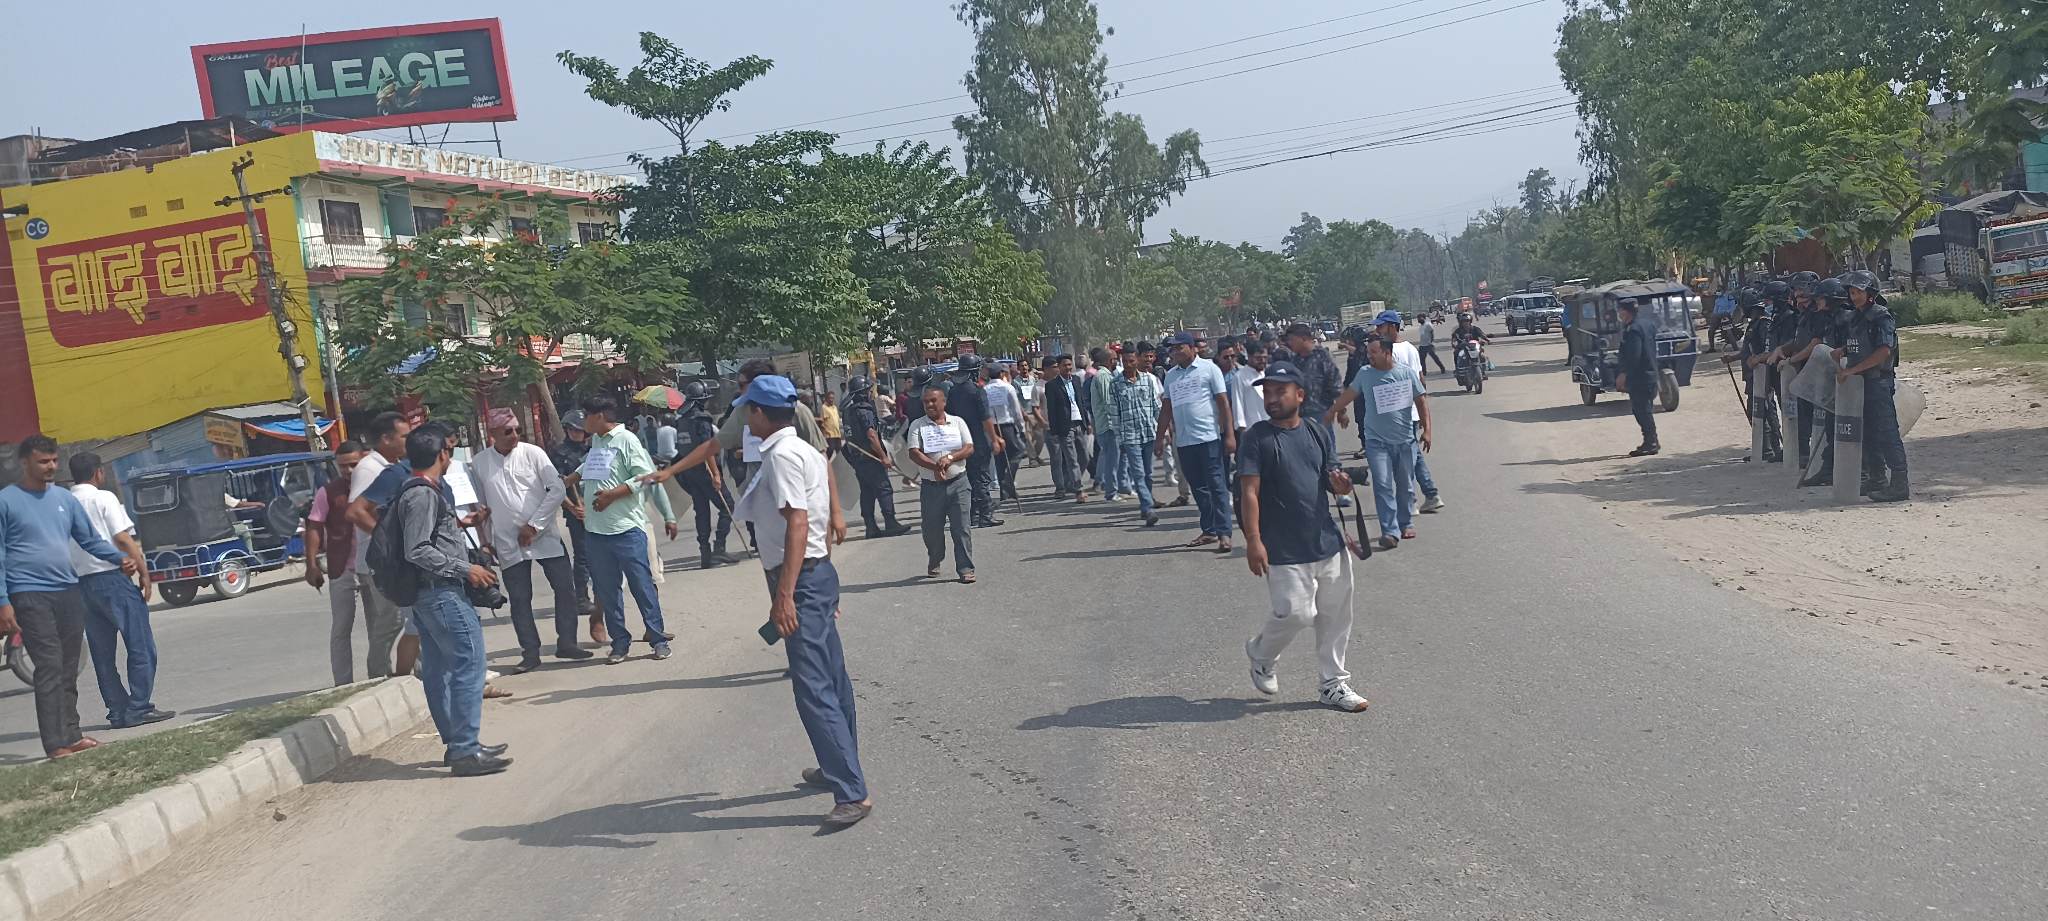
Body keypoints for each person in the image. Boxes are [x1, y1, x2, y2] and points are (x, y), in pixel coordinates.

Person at [728, 374, 870, 828]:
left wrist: (786, 596)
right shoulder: (804, 449)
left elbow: (798, 523)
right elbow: (819, 518)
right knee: (832, 677)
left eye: (746, 410)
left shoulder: (782, 456)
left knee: (813, 686)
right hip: (814, 573)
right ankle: (838, 765)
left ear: (758, 413)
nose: (744, 419)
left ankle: (852, 792)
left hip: (801, 578)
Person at [1234, 365, 1370, 713]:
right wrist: (1253, 540)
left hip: (1325, 540)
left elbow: (1330, 478)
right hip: (1282, 546)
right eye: (1267, 392)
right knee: (1296, 613)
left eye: (1280, 391)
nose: (1272, 398)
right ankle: (1262, 654)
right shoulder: (1256, 438)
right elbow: (1249, 492)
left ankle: (1333, 684)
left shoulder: (1315, 431)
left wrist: (1340, 485)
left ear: (1300, 395)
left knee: (1335, 615)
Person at [0, 436, 134, 758]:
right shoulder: (6, 501)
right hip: (28, 593)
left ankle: (72, 735)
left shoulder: (64, 499)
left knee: (68, 665)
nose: (50, 466)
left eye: (54, 461)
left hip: (68, 591)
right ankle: (55, 743)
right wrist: (3, 601)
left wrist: (119, 558)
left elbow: (90, 540)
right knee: (49, 664)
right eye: (43, 461)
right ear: (25, 463)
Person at [391, 426, 512, 777]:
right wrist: (466, 568)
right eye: (449, 450)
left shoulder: (419, 490)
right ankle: (464, 750)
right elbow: (417, 549)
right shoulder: (422, 494)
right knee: (469, 666)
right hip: (440, 592)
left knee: (440, 670)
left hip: (431, 593)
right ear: (442, 454)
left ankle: (459, 743)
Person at [563, 396, 679, 665]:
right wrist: (570, 479)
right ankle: (620, 643)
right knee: (607, 591)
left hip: (626, 529)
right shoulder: (597, 441)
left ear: (599, 416)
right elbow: (591, 464)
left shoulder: (627, 440)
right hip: (596, 531)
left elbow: (644, 476)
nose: (583, 422)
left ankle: (658, 639)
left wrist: (612, 495)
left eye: (587, 416)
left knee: (642, 586)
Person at [471, 411, 590, 672]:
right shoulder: (480, 463)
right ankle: (530, 652)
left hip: (545, 535)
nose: (514, 435)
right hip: (508, 541)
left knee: (565, 588)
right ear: (492, 434)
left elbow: (556, 489)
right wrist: (485, 541)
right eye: (508, 431)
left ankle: (567, 643)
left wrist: (534, 525)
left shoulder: (533, 453)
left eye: (517, 430)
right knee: (520, 598)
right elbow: (480, 506)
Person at [67, 452, 174, 729]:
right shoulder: (103, 498)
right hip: (112, 579)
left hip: (81, 585)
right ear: (98, 473)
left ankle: (117, 710)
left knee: (103, 654)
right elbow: (122, 538)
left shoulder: (64, 503)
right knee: (140, 645)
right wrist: (144, 572)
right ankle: (139, 707)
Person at [1328, 335, 1433, 548]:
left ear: (1387, 353)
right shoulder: (1365, 374)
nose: (1369, 356)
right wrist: (1334, 410)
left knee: (1405, 486)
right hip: (1376, 442)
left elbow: (1421, 402)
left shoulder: (1406, 373)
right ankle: (1390, 531)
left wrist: (1427, 430)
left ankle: (1405, 523)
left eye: (1373, 352)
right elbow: (1349, 394)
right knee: (1383, 484)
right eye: (1368, 353)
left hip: (1405, 441)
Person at [305, 440, 382, 685]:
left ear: (364, 459)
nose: (348, 471)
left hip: (373, 567)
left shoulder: (376, 487)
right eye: (342, 466)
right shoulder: (328, 492)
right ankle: (343, 684)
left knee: (378, 626)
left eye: (353, 465)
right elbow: (314, 527)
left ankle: (378, 677)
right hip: (342, 569)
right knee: (341, 628)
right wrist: (311, 564)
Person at [343, 411, 411, 678]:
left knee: (410, 618)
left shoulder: (393, 466)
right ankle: (379, 674)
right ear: (386, 439)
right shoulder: (369, 468)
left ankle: (419, 671)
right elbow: (356, 512)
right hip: (379, 560)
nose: (408, 441)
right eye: (404, 436)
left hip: (391, 558)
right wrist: (387, 538)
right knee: (392, 620)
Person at [1156, 331, 1237, 553]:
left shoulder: (1209, 369)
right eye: (1173, 348)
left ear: (1192, 348)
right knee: (1199, 488)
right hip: (1184, 441)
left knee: (1217, 485)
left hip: (1209, 438)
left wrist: (1229, 434)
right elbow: (1166, 409)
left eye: (1179, 347)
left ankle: (1224, 533)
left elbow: (1223, 403)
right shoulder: (1171, 376)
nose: (1175, 352)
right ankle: (1209, 530)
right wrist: (1159, 438)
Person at [1840, 270, 1909, 502]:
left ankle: (1899, 484)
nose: (1854, 297)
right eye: (1851, 292)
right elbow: (1861, 345)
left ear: (1870, 293)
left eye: (1858, 292)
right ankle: (1876, 478)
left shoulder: (1881, 316)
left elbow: (1883, 351)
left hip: (1878, 382)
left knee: (1886, 432)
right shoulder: (1856, 318)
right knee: (1868, 434)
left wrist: (1852, 370)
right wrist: (1843, 351)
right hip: (1861, 385)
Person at [1372, 310, 1445, 515]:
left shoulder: (1389, 351)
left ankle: (1410, 500)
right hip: (1410, 411)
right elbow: (1421, 380)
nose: (1377, 329)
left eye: (1381, 326)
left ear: (1392, 326)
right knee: (1413, 455)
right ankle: (1431, 494)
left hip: (1398, 413)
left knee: (1403, 460)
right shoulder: (1410, 348)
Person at [907, 384, 978, 582]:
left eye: (933, 401)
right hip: (931, 488)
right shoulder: (917, 425)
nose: (929, 405)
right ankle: (935, 558)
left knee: (962, 528)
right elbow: (914, 453)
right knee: (932, 531)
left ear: (943, 402)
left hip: (959, 483)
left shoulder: (957, 422)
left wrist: (950, 458)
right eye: (925, 402)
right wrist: (935, 467)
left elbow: (969, 447)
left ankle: (965, 568)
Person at [668, 381, 740, 568]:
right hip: (705, 471)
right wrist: (716, 475)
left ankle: (705, 553)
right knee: (728, 506)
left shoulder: (681, 421)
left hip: (689, 473)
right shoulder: (701, 420)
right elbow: (707, 448)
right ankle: (719, 548)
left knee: (701, 512)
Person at [548, 411, 604, 646]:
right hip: (575, 511)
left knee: (601, 557)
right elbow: (555, 485)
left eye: (580, 430)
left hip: (597, 508)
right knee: (582, 556)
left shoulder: (594, 451)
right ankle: (581, 597)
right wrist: (572, 508)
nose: (577, 433)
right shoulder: (559, 454)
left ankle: (602, 597)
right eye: (573, 429)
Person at [841, 376, 910, 539]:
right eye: (868, 390)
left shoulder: (848, 412)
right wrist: (883, 457)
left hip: (858, 459)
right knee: (884, 489)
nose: (871, 393)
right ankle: (890, 523)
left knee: (867, 492)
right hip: (870, 458)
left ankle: (870, 526)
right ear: (863, 393)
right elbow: (871, 435)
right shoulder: (864, 410)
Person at [1721, 288, 1784, 463]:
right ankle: (1763, 448)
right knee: (1756, 411)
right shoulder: (1754, 324)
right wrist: (1732, 358)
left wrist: (1757, 360)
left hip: (1763, 376)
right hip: (1752, 377)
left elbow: (1767, 350)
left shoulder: (1763, 324)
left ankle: (1773, 448)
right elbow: (1747, 351)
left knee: (1767, 410)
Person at [1111, 341, 1164, 527]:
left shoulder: (1148, 380)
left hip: (1148, 433)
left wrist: (1163, 431)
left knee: (1148, 473)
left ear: (1137, 360)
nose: (1128, 365)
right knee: (1139, 473)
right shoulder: (1115, 384)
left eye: (1131, 361)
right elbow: (1114, 414)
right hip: (1129, 436)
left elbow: (1156, 407)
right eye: (1124, 361)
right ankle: (1148, 508)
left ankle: (1144, 505)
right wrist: (1119, 439)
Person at [950, 356, 1005, 528]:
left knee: (970, 478)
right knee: (981, 478)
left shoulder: (953, 391)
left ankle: (973, 515)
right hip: (978, 440)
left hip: (960, 441)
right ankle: (986, 514)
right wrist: (995, 439)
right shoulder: (977, 391)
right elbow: (986, 418)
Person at [1039, 355, 1090, 502]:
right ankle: (1078, 489)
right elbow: (1052, 409)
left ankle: (1071, 482)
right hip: (1065, 427)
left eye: (1069, 365)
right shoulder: (1052, 385)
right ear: (1059, 367)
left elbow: (1081, 402)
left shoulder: (1076, 380)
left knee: (1084, 457)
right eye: (1064, 365)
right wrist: (1054, 430)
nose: (1068, 368)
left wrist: (1087, 422)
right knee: (1071, 459)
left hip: (1079, 423)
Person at [1616, 299, 1660, 457]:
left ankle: (1651, 443)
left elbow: (1634, 355)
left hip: (1640, 377)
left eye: (1620, 310)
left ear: (1625, 312)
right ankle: (1651, 441)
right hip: (1651, 373)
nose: (1619, 313)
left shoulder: (1632, 330)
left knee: (1642, 411)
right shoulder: (1648, 324)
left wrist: (1623, 374)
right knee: (1645, 409)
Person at [1282, 323, 1343, 425]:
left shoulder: (1322, 356)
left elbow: (1335, 385)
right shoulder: (1294, 360)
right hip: (1299, 416)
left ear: (1303, 338)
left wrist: (1341, 411)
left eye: (1292, 339)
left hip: (1320, 413)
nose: (1289, 343)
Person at [1086, 346, 1124, 501]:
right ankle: (1111, 491)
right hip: (1109, 425)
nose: (1117, 362)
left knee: (1111, 458)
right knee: (1111, 461)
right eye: (1115, 359)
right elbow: (1109, 402)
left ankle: (1113, 488)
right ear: (1110, 360)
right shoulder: (1103, 376)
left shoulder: (1105, 375)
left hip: (1107, 424)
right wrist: (1118, 421)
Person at [985, 364, 1025, 502]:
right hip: (1007, 425)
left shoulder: (985, 389)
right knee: (1018, 452)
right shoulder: (1007, 387)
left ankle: (1006, 491)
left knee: (1000, 460)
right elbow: (1016, 410)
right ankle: (1007, 482)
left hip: (992, 427)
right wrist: (1021, 428)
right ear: (1002, 374)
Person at [1014, 364, 1044, 465]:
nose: (1024, 368)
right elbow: (1016, 399)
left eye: (1026, 365)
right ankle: (1032, 459)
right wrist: (1022, 412)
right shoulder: (1015, 382)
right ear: (1018, 368)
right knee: (1028, 438)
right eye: (1022, 366)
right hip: (1025, 413)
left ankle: (1036, 455)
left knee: (1040, 437)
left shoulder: (1033, 380)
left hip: (1036, 412)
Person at [819, 390, 844, 460]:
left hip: (837, 434)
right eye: (830, 398)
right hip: (830, 435)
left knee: (840, 451)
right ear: (827, 398)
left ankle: (839, 464)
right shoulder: (824, 407)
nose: (831, 400)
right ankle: (825, 462)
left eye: (833, 398)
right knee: (830, 450)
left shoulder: (834, 407)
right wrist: (823, 433)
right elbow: (822, 421)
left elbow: (836, 420)